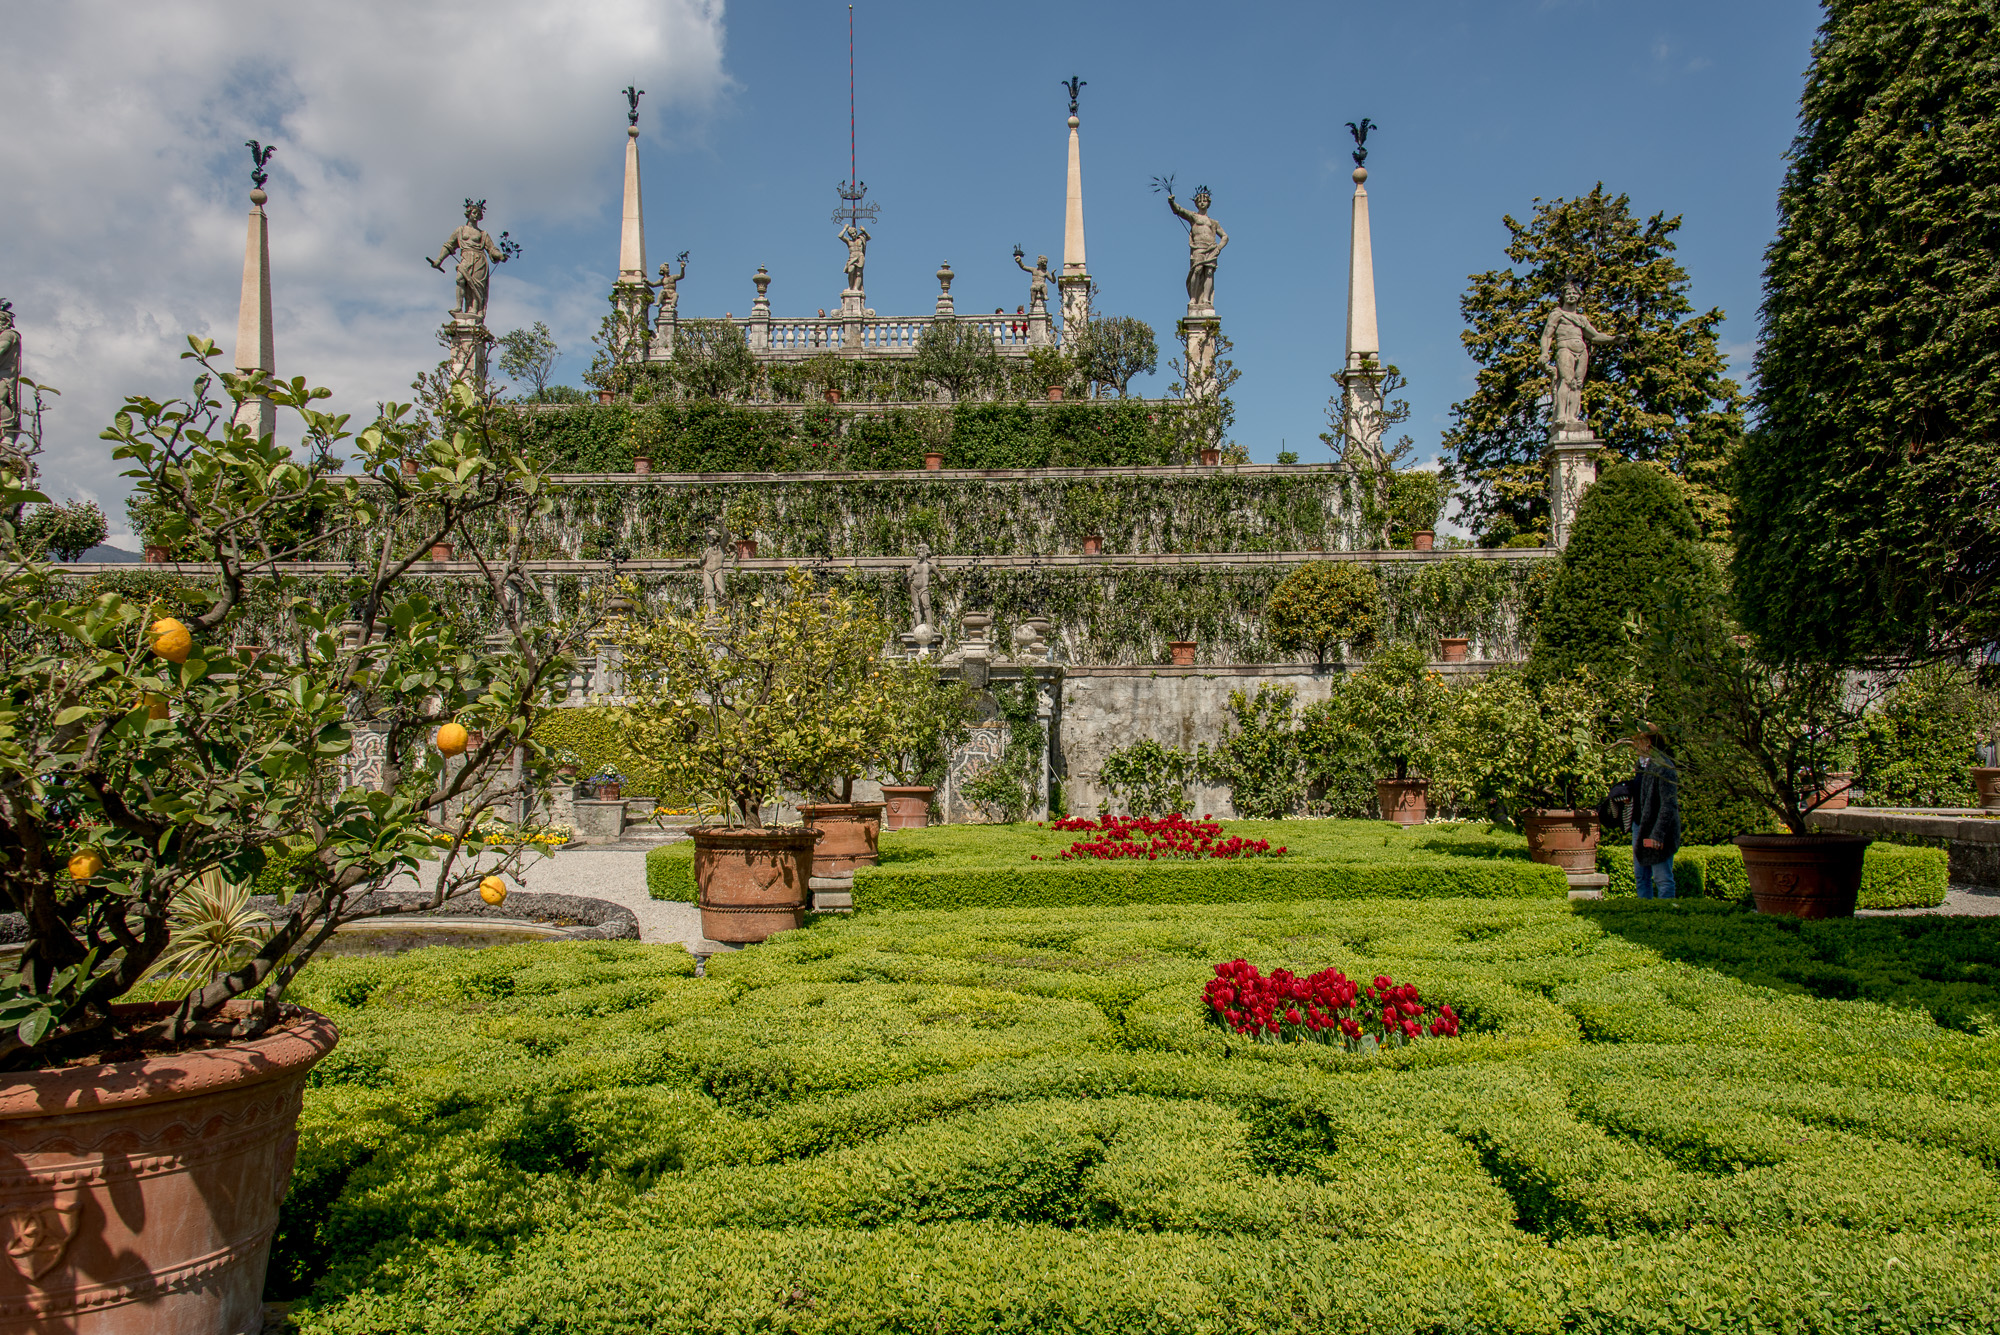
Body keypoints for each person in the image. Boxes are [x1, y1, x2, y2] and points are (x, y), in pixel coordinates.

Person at [1626, 724, 1680, 899]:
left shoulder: (1663, 767)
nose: (1633, 746)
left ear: (1647, 743)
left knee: (1662, 877)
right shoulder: (1640, 766)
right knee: (1641, 876)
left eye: (1636, 741)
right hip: (1640, 827)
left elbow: (1668, 805)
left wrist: (1657, 834)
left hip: (1656, 830)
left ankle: (1664, 918)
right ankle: (1645, 915)